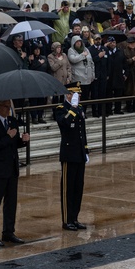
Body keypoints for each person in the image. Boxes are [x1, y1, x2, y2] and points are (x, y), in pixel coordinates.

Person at [0, 100, 29, 247]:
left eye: (9, 107)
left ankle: (8, 232)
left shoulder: (12, 121)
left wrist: (23, 141)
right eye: (5, 107)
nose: (7, 110)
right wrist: (8, 136)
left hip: (12, 168)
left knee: (11, 203)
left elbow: (14, 144)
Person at [54, 84, 89, 231]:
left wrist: (86, 150)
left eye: (79, 94)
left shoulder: (79, 108)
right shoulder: (61, 109)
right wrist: (73, 108)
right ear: (68, 94)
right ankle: (67, 219)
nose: (78, 96)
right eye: (75, 94)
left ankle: (75, 217)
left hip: (79, 153)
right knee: (68, 189)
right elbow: (65, 123)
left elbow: (82, 132)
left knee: (78, 187)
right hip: (69, 154)